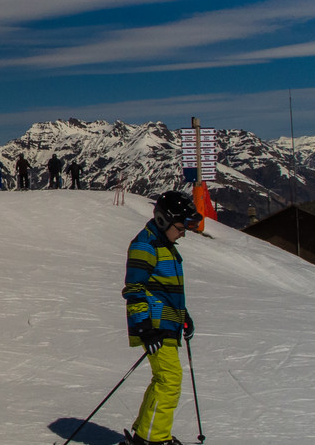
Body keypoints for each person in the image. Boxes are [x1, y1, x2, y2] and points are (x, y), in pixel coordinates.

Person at [121, 191, 202, 445]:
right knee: (170, 380)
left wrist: (183, 316)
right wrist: (144, 327)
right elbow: (134, 290)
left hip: (167, 323)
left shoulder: (164, 246)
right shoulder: (145, 246)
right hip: (154, 326)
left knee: (165, 379)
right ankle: (153, 439)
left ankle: (147, 434)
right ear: (163, 220)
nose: (184, 233)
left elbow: (167, 291)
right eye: (181, 227)